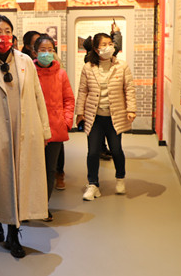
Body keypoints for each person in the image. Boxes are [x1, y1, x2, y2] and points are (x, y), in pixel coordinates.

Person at [0, 15, 50, 259]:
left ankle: (13, 233)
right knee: (2, 184)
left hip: (26, 132)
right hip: (0, 137)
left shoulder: (26, 62)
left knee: (20, 184)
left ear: (13, 35)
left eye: (7, 31)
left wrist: (44, 130)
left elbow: (38, 96)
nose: (2, 36)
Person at [75, 32, 136, 201]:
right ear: (96, 49)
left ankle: (120, 178)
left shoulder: (121, 66)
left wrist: (131, 109)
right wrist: (79, 113)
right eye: (104, 44)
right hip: (94, 117)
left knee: (116, 150)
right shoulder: (88, 67)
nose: (108, 47)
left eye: (110, 43)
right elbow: (82, 91)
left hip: (114, 116)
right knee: (93, 152)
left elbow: (129, 89)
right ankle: (93, 184)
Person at [33, 34, 74, 221]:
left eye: (50, 50)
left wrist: (66, 121)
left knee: (50, 170)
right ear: (35, 52)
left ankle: (43, 206)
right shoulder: (29, 72)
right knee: (32, 170)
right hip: (34, 128)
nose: (46, 53)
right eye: (43, 50)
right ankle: (29, 207)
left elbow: (69, 99)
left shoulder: (61, 73)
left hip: (55, 128)